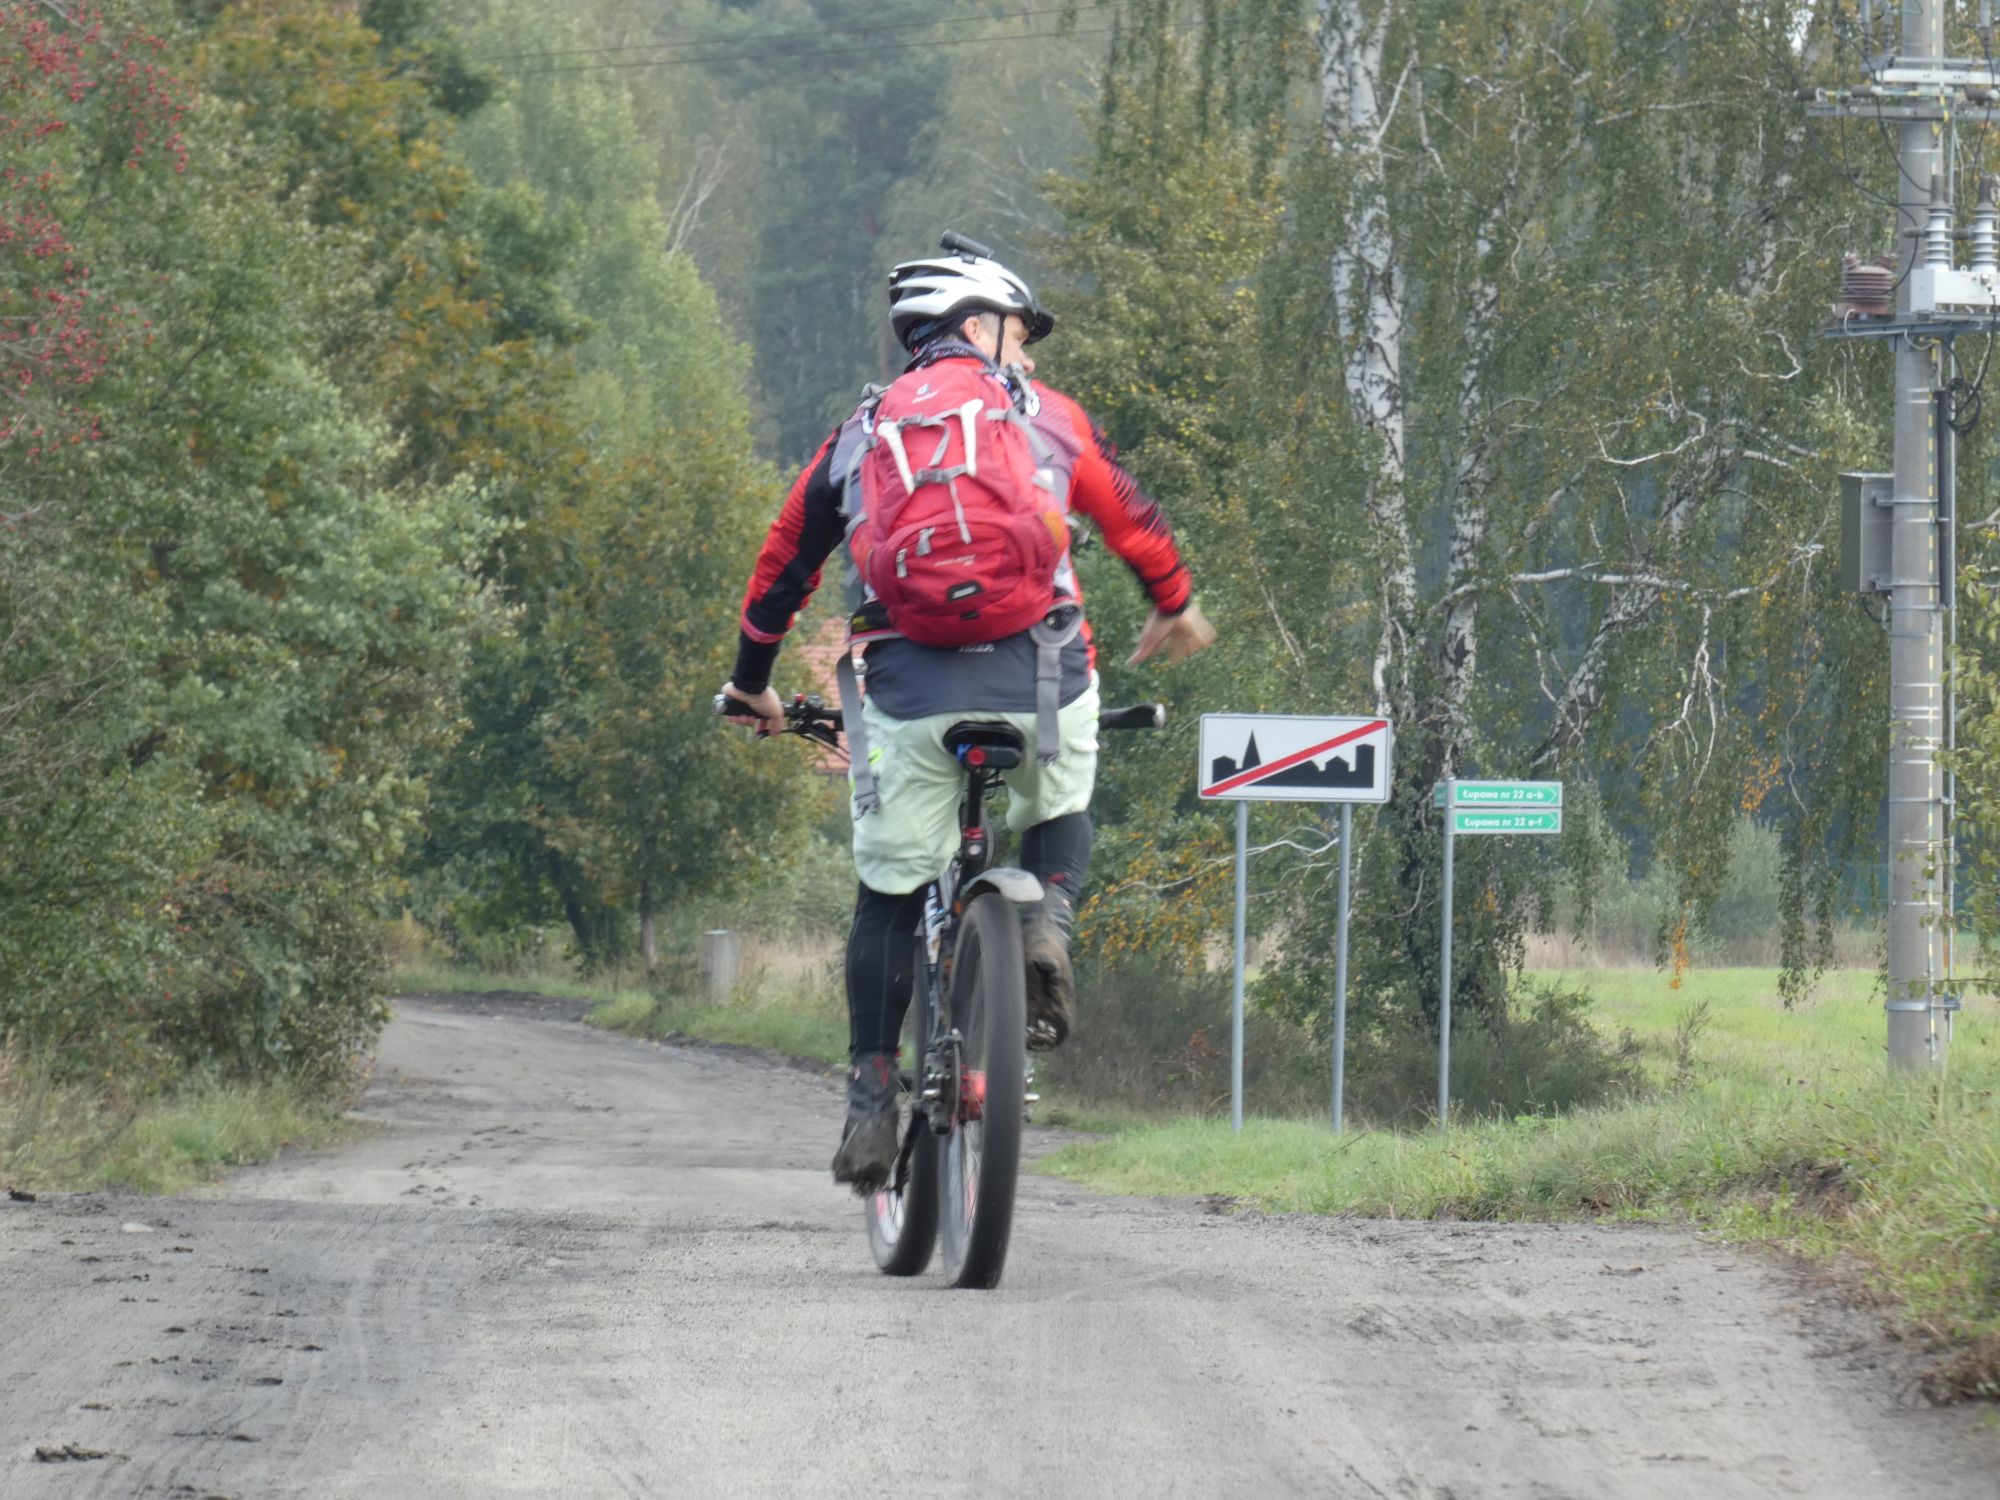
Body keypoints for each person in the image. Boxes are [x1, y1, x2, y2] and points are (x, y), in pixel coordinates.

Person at [721, 237, 1213, 1190]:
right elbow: (1131, 514)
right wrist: (1175, 600)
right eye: (1019, 333)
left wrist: (753, 682)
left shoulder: (863, 431)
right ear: (978, 326)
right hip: (1043, 682)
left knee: (888, 895)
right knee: (1061, 796)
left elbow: (785, 564)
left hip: (910, 694)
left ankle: (872, 1099)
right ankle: (1047, 920)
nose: (1024, 353)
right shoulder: (1047, 416)